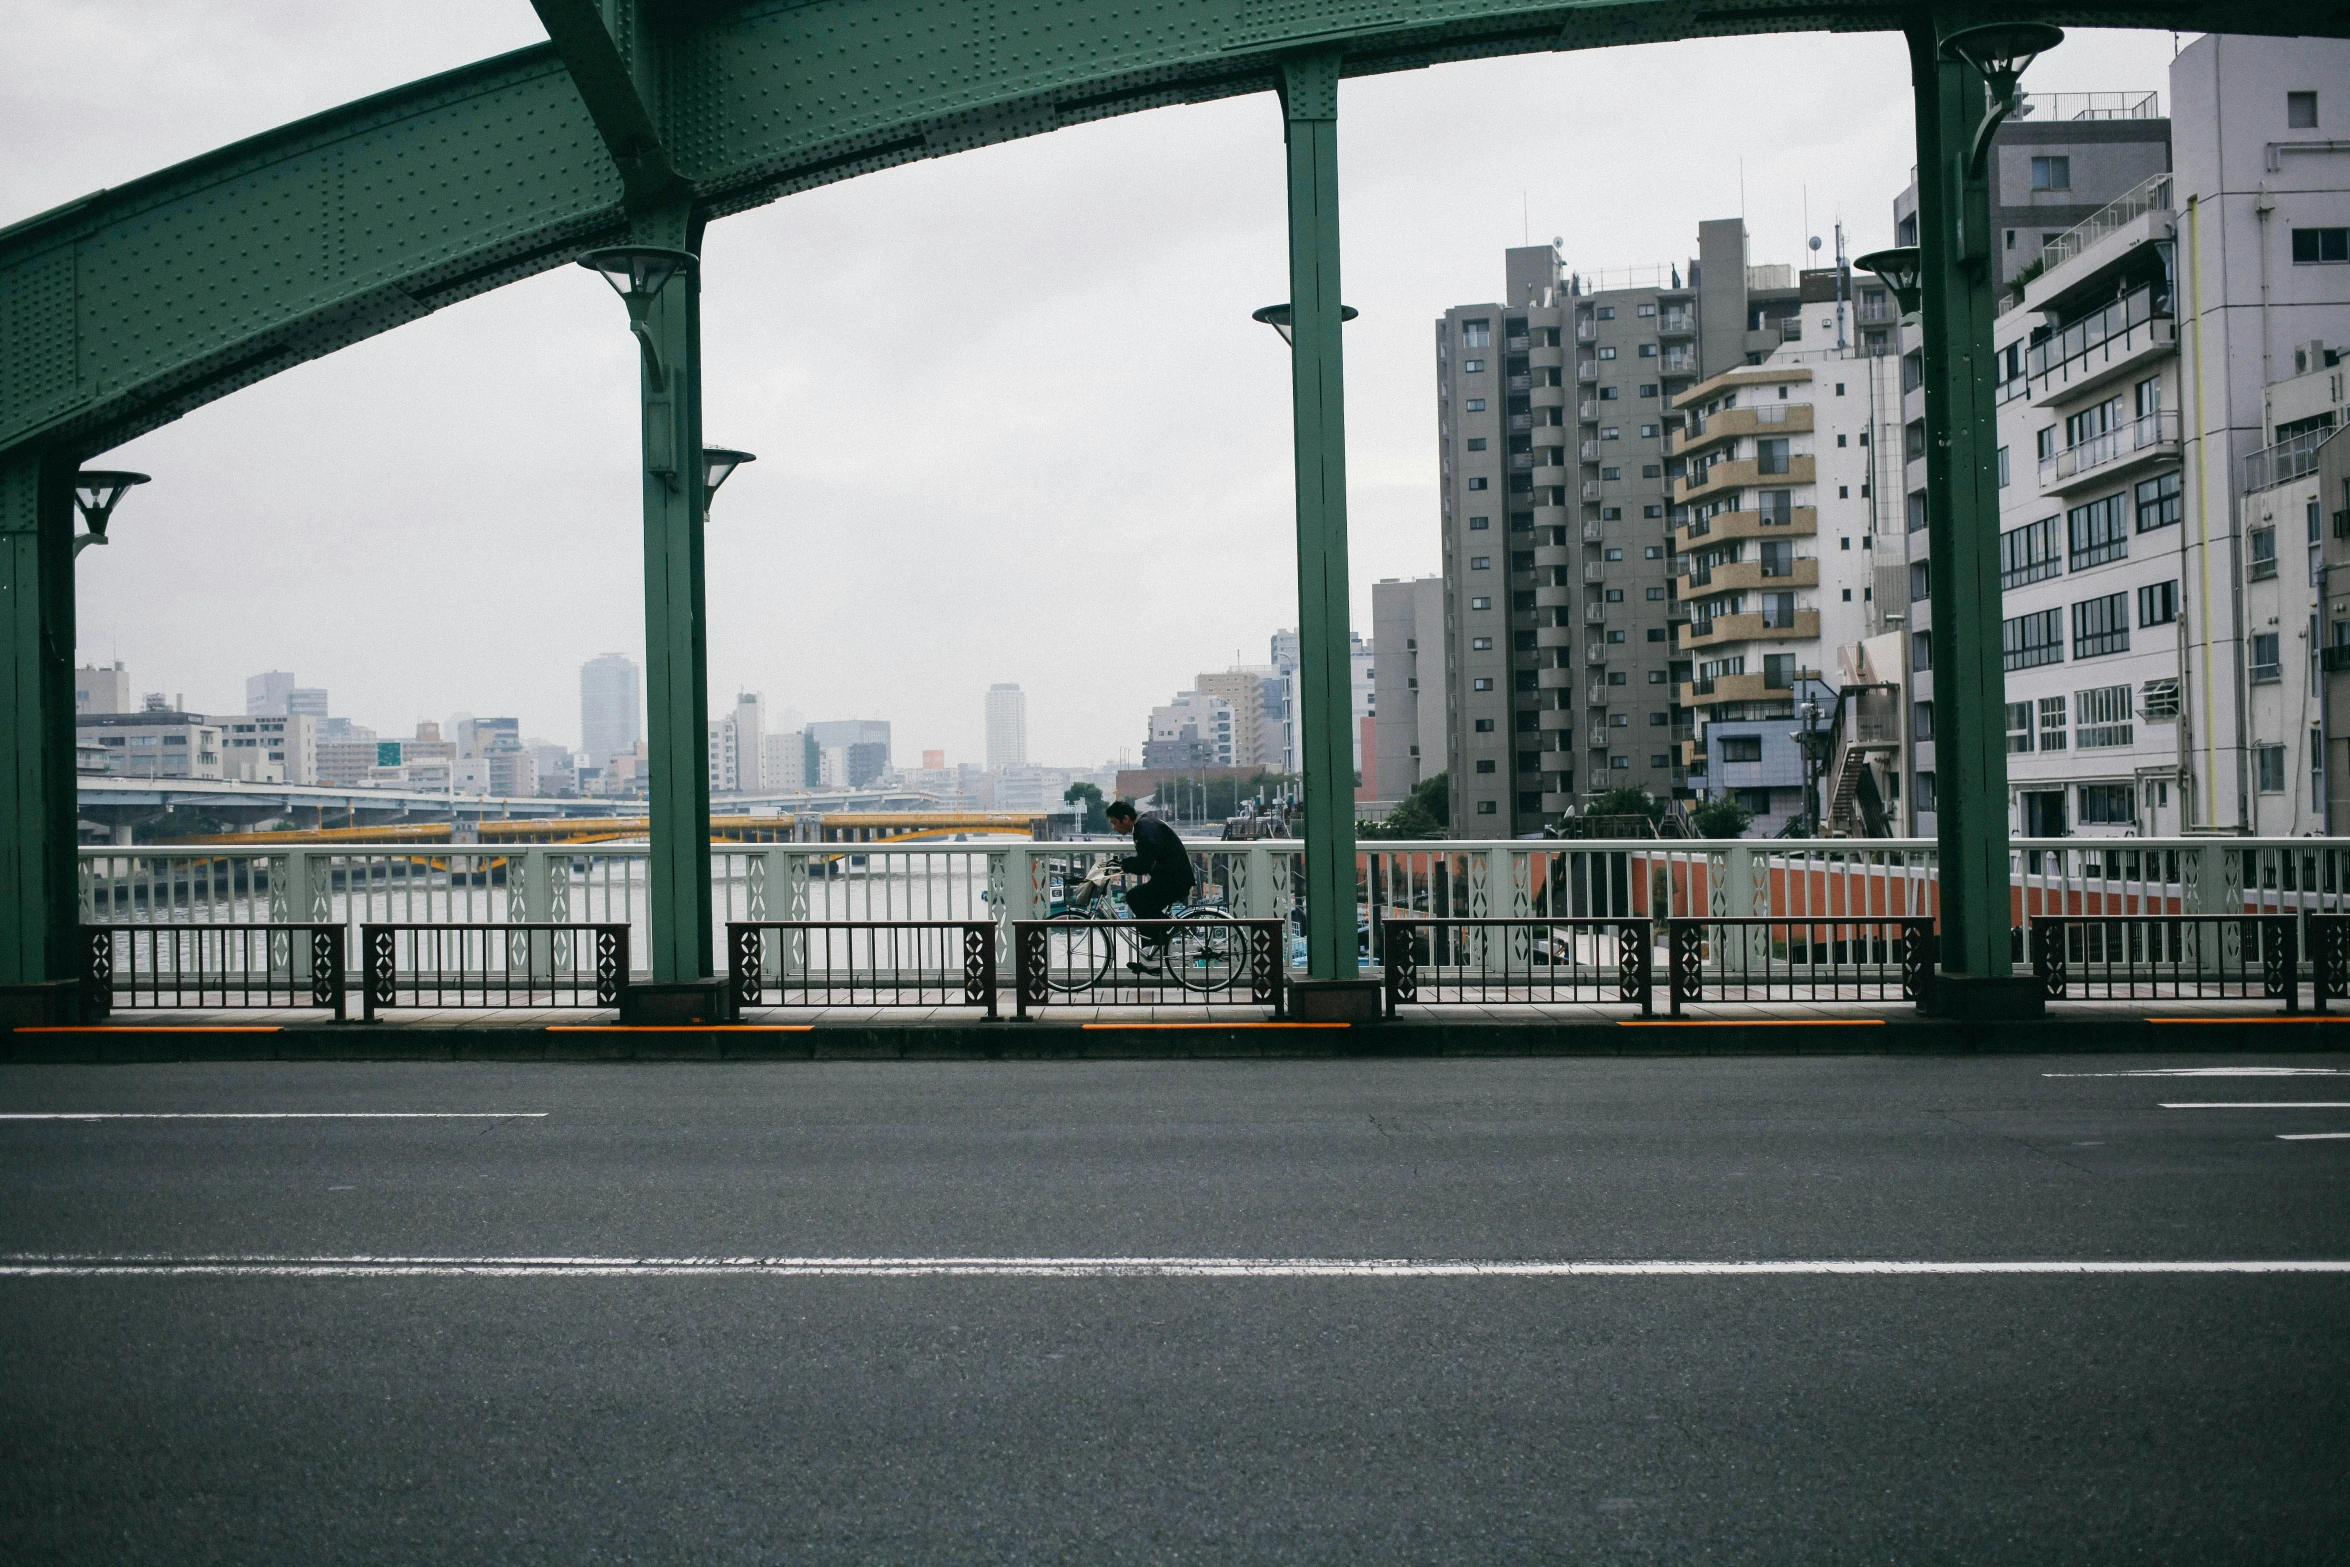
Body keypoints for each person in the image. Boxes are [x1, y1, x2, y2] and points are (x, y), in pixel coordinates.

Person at [1105, 799, 1192, 976]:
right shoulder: (1145, 826)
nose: (1114, 827)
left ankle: (1165, 933)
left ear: (1126, 819)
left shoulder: (1144, 830)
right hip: (1170, 877)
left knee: (1136, 897)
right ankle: (1154, 950)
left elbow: (1145, 863)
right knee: (1141, 901)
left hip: (1174, 879)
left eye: (1115, 822)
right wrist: (1126, 864)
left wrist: (1126, 865)